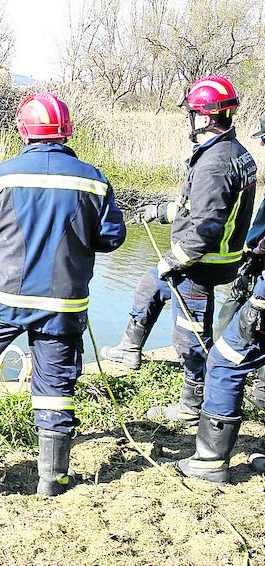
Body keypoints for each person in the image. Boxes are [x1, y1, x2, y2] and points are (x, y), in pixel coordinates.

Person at [0, 92, 126, 496]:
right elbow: (112, 238)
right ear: (66, 131)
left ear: (23, 131)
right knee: (55, 388)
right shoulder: (92, 178)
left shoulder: (1, 176)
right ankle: (52, 479)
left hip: (4, 295)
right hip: (64, 304)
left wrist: (7, 258)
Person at [101, 76, 257, 425]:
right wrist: (162, 212)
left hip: (200, 263)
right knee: (148, 287)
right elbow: (200, 209)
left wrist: (172, 261)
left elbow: (203, 230)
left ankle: (190, 406)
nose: (188, 119)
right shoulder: (231, 153)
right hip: (209, 256)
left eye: (191, 113)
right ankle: (129, 351)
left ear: (203, 117)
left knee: (189, 334)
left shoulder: (215, 164)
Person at [176, 113, 263, 482]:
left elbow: (206, 223)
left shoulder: (217, 161)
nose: (262, 145)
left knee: (225, 361)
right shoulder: (234, 155)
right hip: (240, 269)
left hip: (228, 274)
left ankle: (209, 463)